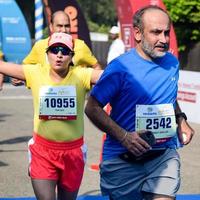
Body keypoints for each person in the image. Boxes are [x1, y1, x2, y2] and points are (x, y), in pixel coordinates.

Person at [85, 5, 194, 200]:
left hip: (163, 156)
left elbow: (169, 97)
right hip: (122, 158)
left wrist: (181, 118)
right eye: (156, 32)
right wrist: (124, 137)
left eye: (166, 32)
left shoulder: (172, 63)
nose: (163, 39)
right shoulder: (120, 67)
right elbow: (92, 107)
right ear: (137, 33)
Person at [0, 32, 103, 200]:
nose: (59, 55)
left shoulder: (81, 75)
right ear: (47, 54)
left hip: (73, 153)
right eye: (55, 50)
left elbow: (114, 75)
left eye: (65, 51)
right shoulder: (35, 72)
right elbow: (3, 66)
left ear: (72, 56)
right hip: (43, 151)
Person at [12, 10, 101, 85]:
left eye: (67, 26)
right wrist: (20, 78)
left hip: (72, 101)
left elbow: (96, 67)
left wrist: (93, 87)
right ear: (51, 27)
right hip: (46, 99)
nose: (63, 30)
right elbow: (24, 68)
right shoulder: (40, 46)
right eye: (59, 26)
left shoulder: (80, 46)